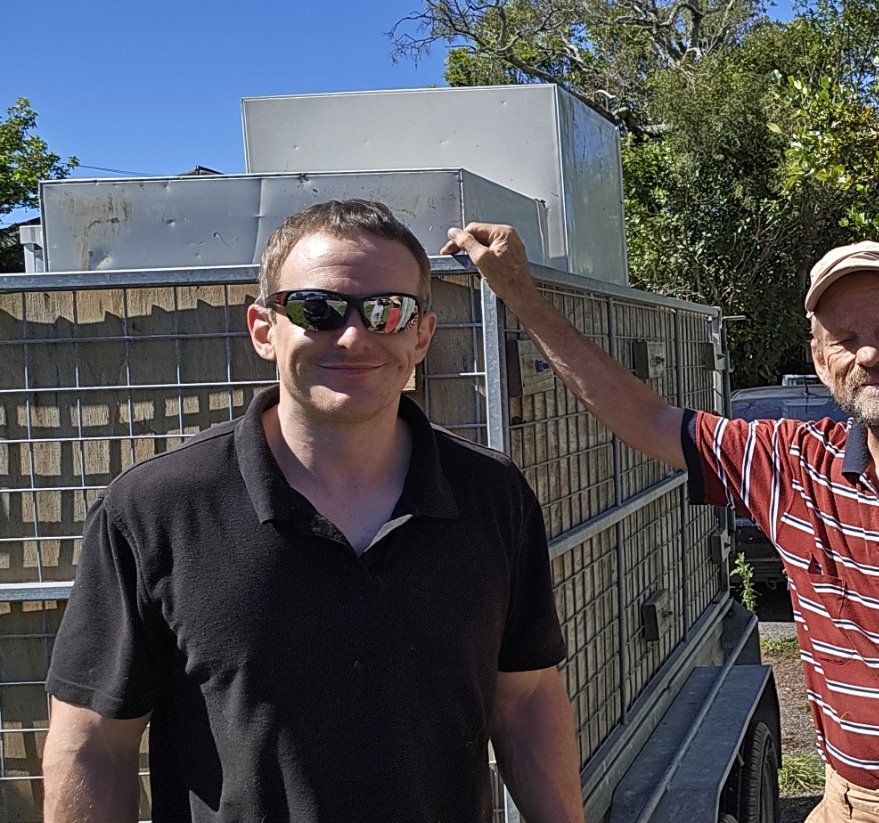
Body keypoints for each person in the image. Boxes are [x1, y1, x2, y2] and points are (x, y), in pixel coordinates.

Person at [443, 226, 879, 823]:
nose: (868, 355)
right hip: (847, 803)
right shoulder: (793, 465)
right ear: (820, 360)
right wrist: (521, 294)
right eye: (845, 339)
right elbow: (647, 419)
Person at [40, 200, 581, 822]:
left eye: (388, 310)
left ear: (421, 335)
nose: (354, 336)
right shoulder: (155, 508)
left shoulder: (491, 493)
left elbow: (525, 698)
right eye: (316, 309)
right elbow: (92, 744)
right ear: (264, 330)